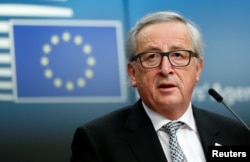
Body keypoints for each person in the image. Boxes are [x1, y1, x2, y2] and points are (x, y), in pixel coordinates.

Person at [70, 11, 250, 162]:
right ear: (133, 73)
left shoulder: (237, 135)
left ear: (197, 69)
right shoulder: (97, 141)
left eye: (178, 55)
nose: (166, 69)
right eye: (151, 57)